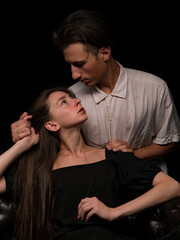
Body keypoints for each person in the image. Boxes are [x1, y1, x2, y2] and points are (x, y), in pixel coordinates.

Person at [0, 87, 180, 240]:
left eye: (72, 97)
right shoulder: (37, 170)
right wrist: (21, 146)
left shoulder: (113, 156)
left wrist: (114, 212)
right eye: (64, 102)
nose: (76, 101)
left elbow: (172, 186)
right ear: (52, 125)